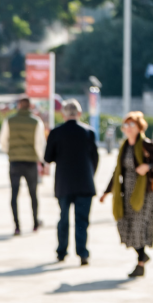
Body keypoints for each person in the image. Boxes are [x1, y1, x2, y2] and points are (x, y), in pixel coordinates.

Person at [100, 111, 153, 278]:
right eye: (126, 125)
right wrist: (107, 192)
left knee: (138, 227)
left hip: (143, 193)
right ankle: (142, 255)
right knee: (124, 225)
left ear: (139, 127)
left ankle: (140, 263)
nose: (128, 128)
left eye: (132, 125)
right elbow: (117, 171)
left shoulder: (145, 144)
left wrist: (148, 167)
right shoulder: (125, 146)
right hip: (127, 192)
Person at [44, 99, 99, 265]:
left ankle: (61, 252)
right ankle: (82, 253)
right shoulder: (89, 132)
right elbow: (95, 158)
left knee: (64, 218)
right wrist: (90, 174)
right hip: (85, 182)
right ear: (79, 114)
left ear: (63, 114)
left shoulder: (56, 132)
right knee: (82, 220)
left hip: (64, 182)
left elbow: (48, 157)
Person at [0, 97, 45, 235]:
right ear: (30, 106)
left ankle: (17, 226)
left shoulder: (9, 120)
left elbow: (3, 140)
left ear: (19, 106)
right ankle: (35, 223)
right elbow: (39, 144)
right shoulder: (36, 122)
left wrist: (10, 152)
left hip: (15, 161)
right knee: (33, 193)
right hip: (30, 161)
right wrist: (41, 160)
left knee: (14, 194)